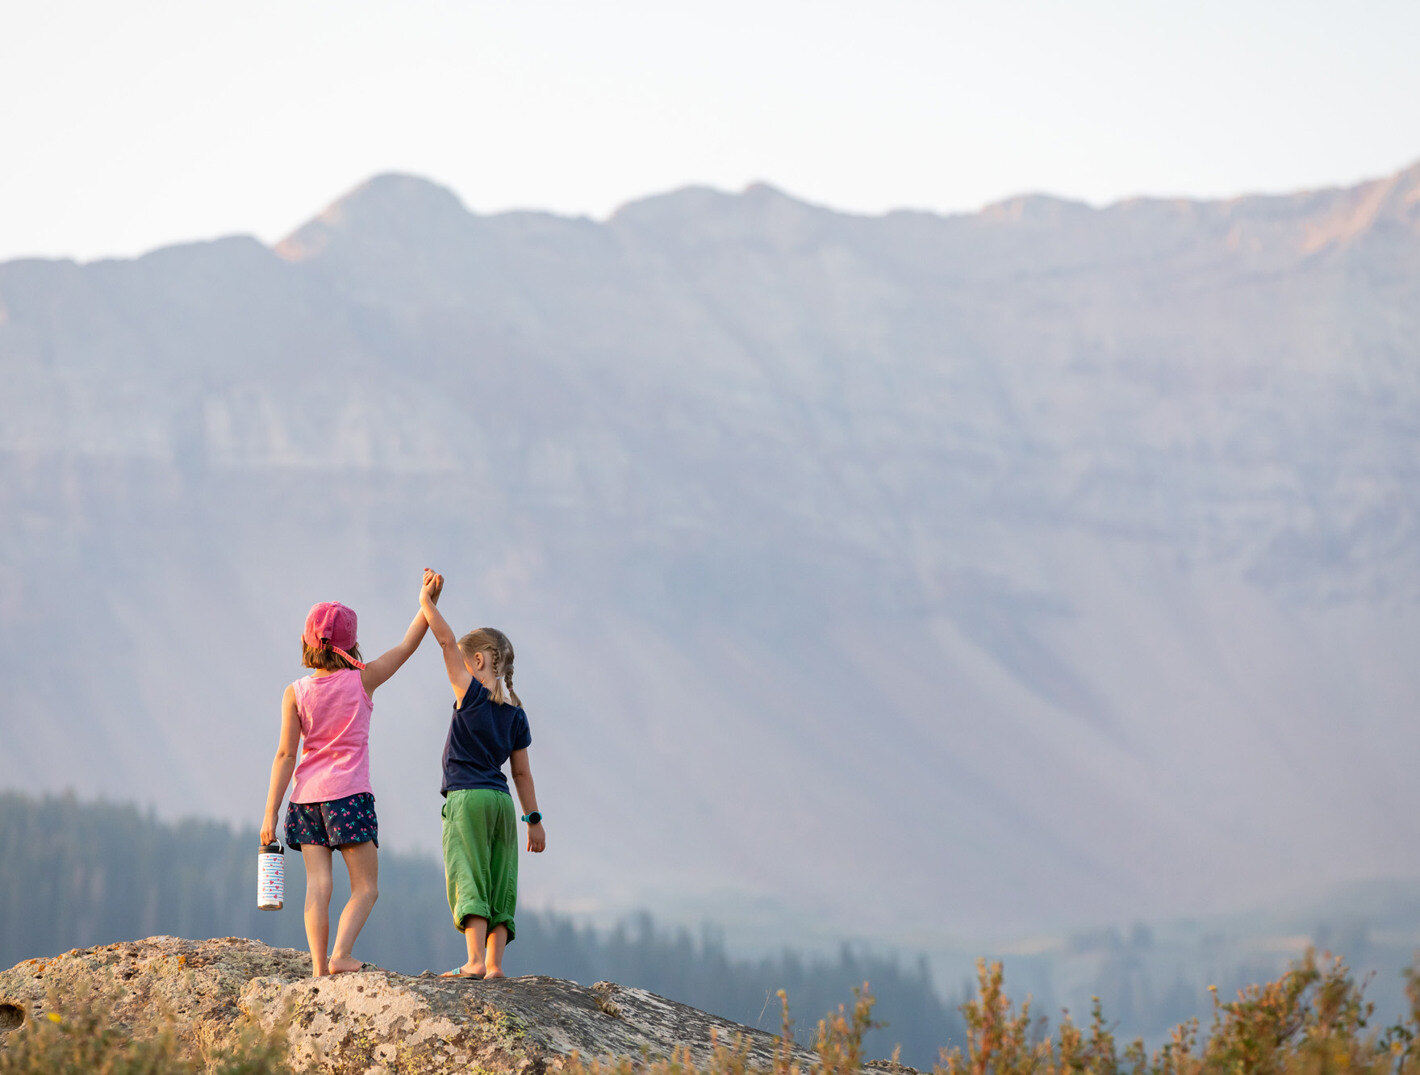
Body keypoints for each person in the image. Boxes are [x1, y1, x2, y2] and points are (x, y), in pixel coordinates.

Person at [259, 570, 442, 976]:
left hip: (305, 800)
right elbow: (407, 646)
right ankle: (341, 954)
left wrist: (270, 813)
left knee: (318, 886)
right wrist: (427, 603)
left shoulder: (296, 692)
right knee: (365, 888)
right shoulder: (363, 679)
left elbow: (286, 754)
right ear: (352, 644)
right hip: (349, 797)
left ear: (308, 642)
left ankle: (319, 969)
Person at [419, 576, 545, 980]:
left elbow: (443, 639)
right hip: (503, 804)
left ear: (477, 662)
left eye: (463, 658)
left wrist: (426, 602)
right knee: (500, 877)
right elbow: (521, 772)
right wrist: (534, 819)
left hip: (466, 800)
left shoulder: (469, 693)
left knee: (468, 872)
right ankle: (494, 965)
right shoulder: (515, 714)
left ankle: (473, 961)